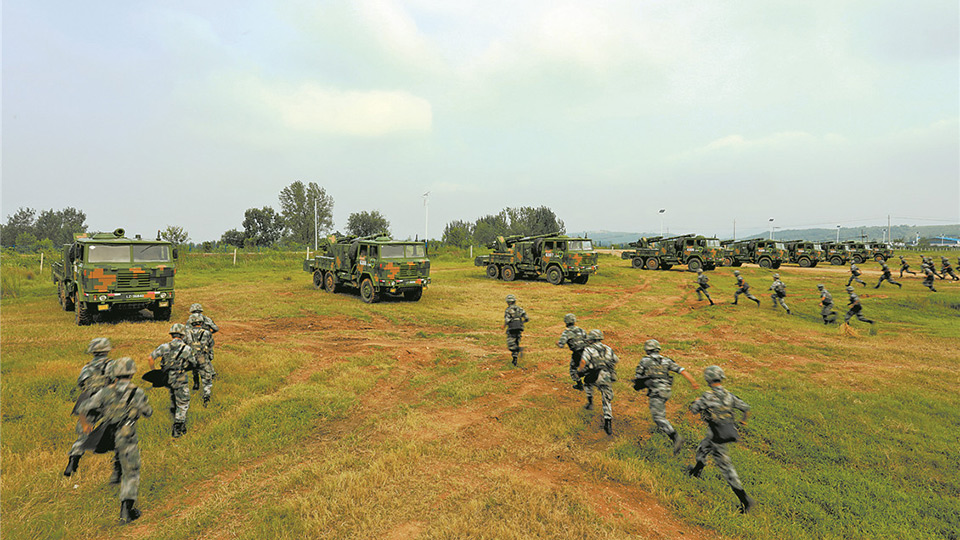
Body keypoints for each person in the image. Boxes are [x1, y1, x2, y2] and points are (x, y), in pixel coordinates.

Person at [77, 357, 153, 523]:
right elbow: (148, 412)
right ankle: (126, 512)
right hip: (128, 436)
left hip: (109, 433)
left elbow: (83, 407)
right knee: (131, 472)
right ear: (132, 372)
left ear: (114, 373)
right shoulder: (137, 392)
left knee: (120, 459)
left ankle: (115, 475)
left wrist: (85, 425)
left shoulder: (105, 391)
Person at [687, 365, 755, 513]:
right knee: (703, 448)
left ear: (707, 379)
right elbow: (746, 408)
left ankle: (745, 500)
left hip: (717, 436)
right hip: (722, 431)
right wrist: (743, 422)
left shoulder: (707, 396)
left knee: (726, 468)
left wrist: (697, 401)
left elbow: (693, 409)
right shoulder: (729, 395)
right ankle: (695, 472)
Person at [632, 339, 699, 455]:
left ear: (647, 349)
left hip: (656, 392)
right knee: (660, 414)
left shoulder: (645, 361)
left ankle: (675, 437)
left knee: (658, 417)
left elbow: (638, 377)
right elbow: (682, 371)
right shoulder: (666, 360)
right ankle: (663, 427)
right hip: (667, 391)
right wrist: (693, 382)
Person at [64, 337, 115, 477]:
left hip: (88, 400)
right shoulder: (112, 365)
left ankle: (72, 463)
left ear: (92, 351)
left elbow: (81, 384)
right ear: (107, 349)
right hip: (107, 400)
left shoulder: (86, 368)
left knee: (83, 434)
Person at [148, 323, 197, 437]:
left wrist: (154, 371)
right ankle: (178, 427)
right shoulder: (187, 348)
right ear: (182, 335)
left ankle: (175, 411)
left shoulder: (164, 347)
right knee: (183, 401)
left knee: (174, 394)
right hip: (180, 377)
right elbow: (194, 363)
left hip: (166, 377)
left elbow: (150, 358)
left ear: (171, 335)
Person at [578, 330, 619, 435]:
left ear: (591, 339)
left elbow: (583, 362)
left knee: (587, 383)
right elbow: (616, 360)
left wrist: (580, 371)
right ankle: (608, 423)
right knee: (606, 399)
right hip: (606, 376)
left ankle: (590, 401)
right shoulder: (608, 348)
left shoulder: (589, 349)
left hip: (594, 375)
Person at [186, 314, 215, 407]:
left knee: (195, 370)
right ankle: (206, 397)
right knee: (206, 378)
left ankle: (196, 384)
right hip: (203, 358)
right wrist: (210, 355)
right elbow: (211, 345)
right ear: (201, 323)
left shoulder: (187, 333)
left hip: (192, 358)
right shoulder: (206, 333)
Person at [187, 303, 219, 389]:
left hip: (194, 343)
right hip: (206, 342)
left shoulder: (190, 320)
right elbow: (216, 328)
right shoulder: (207, 319)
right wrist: (209, 334)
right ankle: (211, 375)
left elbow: (186, 332)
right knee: (207, 357)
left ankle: (196, 382)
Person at [556, 313, 587, 393]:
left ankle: (579, 385)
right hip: (587, 352)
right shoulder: (581, 330)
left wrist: (557, 343)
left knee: (573, 370)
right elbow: (588, 340)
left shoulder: (566, 332)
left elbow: (561, 345)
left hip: (577, 353)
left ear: (566, 322)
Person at [502, 295, 529, 366]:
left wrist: (504, 326)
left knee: (511, 343)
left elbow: (507, 320)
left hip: (512, 328)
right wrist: (521, 323)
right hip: (519, 328)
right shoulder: (520, 309)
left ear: (508, 302)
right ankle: (515, 359)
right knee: (517, 341)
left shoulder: (508, 310)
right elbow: (527, 318)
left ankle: (518, 349)